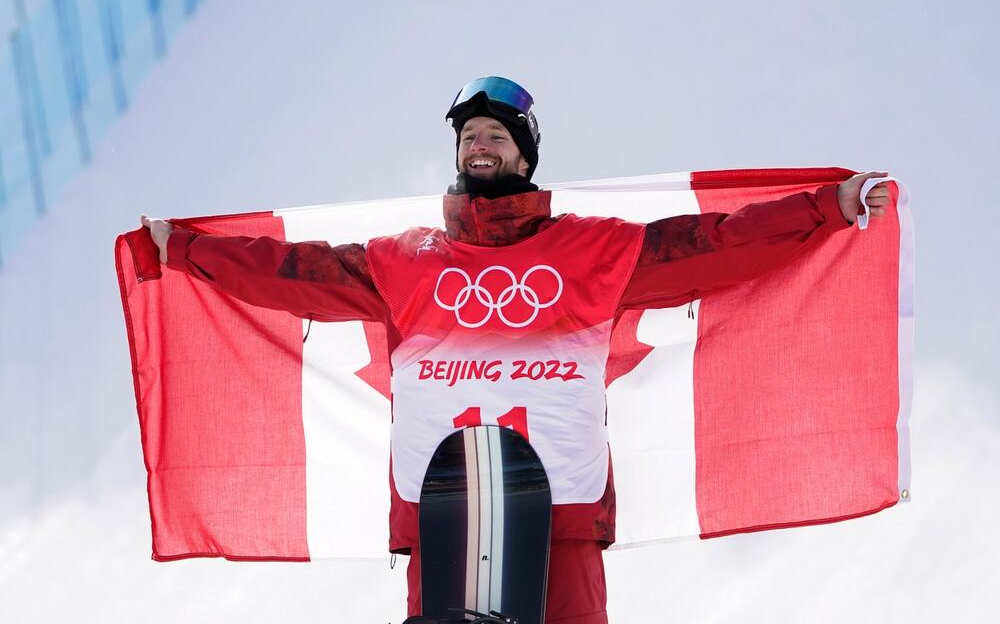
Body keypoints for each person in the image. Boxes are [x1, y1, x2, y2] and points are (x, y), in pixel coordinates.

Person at [141, 76, 890, 623]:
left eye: (496, 135)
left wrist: (827, 208)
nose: (479, 145)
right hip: (447, 509)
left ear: (526, 156)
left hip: (557, 508)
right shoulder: (407, 259)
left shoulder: (592, 249)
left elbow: (713, 247)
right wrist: (190, 253)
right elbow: (292, 273)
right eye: (469, 136)